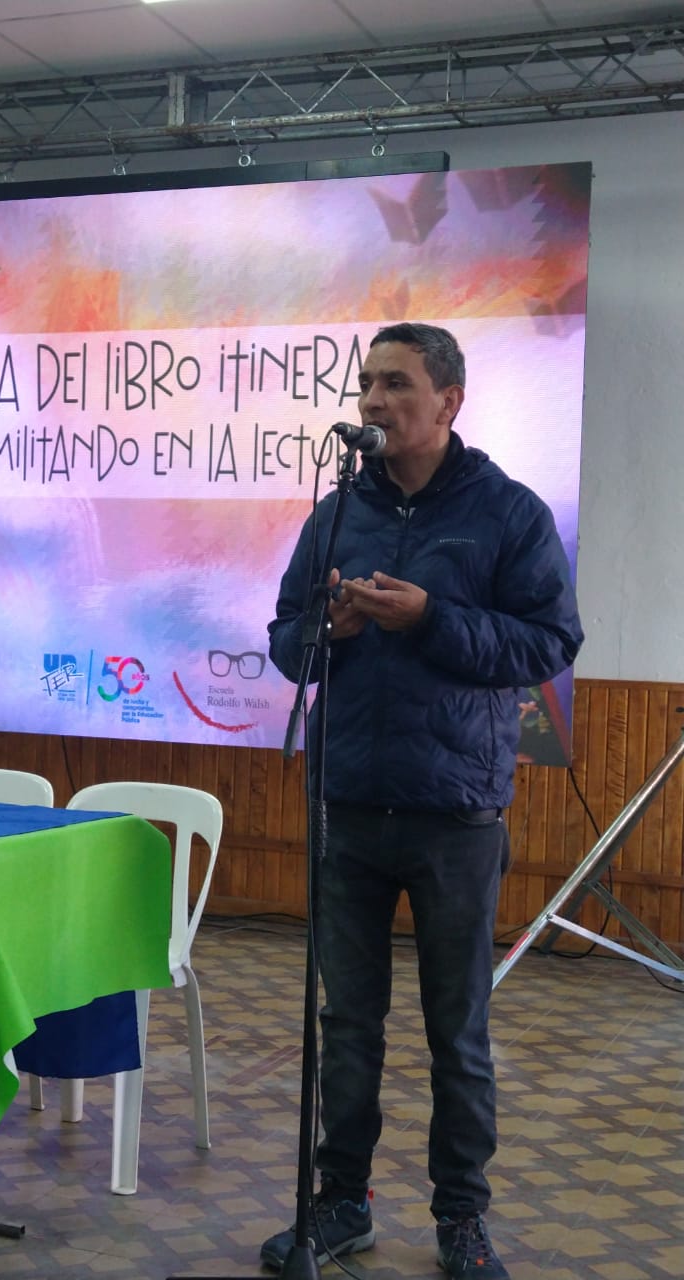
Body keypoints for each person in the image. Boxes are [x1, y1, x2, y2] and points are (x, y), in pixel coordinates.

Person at [262, 323, 583, 1280]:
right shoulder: (335, 513)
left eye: (395, 384)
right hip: (350, 802)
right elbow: (286, 643)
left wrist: (431, 618)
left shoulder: (505, 512)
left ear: (448, 401)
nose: (371, 402)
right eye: (365, 384)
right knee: (347, 1023)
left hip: (457, 813)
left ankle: (461, 1217)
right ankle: (341, 1202)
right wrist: (337, 624)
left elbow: (548, 643)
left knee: (459, 1030)